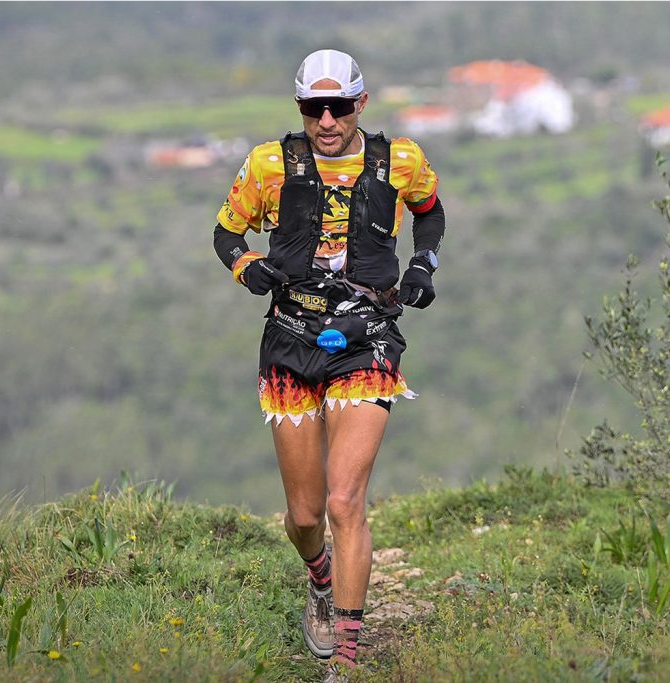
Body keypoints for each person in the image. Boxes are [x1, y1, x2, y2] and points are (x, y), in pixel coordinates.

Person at [212, 48, 445, 682]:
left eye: (338, 107)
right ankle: (318, 578)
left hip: (368, 338)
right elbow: (226, 231)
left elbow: (430, 211)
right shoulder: (270, 164)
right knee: (306, 514)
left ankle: (345, 657)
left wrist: (424, 267)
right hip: (291, 338)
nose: (326, 120)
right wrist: (246, 268)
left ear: (360, 105)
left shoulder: (400, 161)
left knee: (346, 502)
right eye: (313, 108)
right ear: (300, 110)